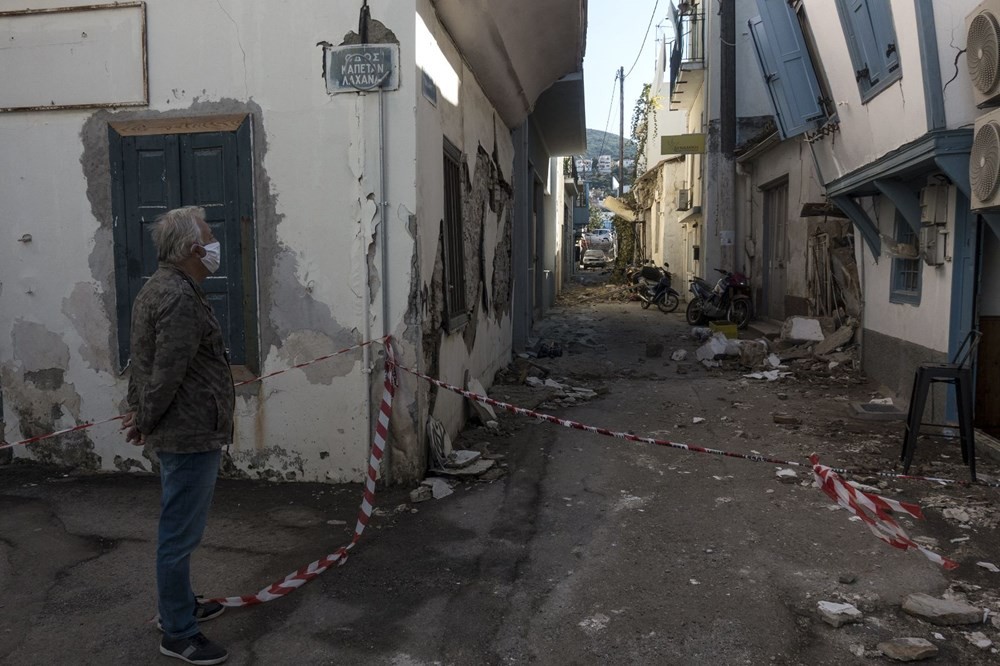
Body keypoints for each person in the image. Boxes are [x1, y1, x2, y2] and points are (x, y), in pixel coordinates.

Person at [122, 205, 235, 665]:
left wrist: (140, 413)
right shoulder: (180, 297)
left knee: (179, 529)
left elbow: (143, 361)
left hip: (183, 427)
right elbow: (165, 371)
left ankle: (182, 605)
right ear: (193, 248)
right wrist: (145, 418)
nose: (213, 245)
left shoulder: (161, 288)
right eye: (209, 237)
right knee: (179, 535)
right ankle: (178, 632)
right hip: (187, 432)